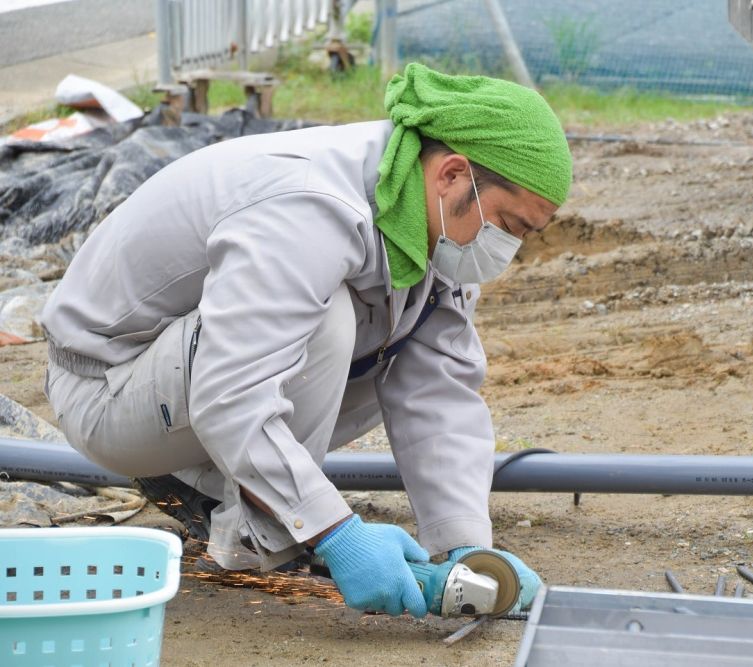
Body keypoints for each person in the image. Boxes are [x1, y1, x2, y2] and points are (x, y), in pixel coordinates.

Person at [40, 63, 572, 618]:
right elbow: (232, 393)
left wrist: (467, 544)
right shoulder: (309, 205)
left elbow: (439, 392)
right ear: (452, 175)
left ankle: (229, 487)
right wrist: (336, 532)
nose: (506, 249)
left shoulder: (427, 222)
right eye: (508, 226)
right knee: (328, 322)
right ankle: (253, 530)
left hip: (181, 381)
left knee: (401, 346)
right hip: (105, 384)